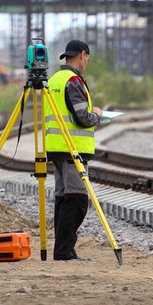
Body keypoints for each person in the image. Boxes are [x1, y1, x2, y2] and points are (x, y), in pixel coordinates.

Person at [44, 39, 103, 261]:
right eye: (87, 57)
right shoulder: (74, 81)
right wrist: (97, 115)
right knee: (77, 199)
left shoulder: (54, 80)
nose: (87, 61)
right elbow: (83, 118)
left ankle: (65, 249)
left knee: (63, 198)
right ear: (82, 55)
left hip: (56, 148)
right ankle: (63, 251)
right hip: (72, 148)